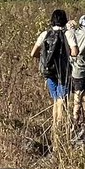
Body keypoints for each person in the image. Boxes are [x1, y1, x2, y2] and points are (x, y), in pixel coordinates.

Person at [31, 8, 71, 142]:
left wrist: (45, 59)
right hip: (63, 71)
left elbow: (33, 53)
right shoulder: (67, 34)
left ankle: (54, 129)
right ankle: (60, 132)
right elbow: (75, 52)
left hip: (49, 71)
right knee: (62, 101)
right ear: (64, 20)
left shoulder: (44, 34)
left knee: (55, 100)